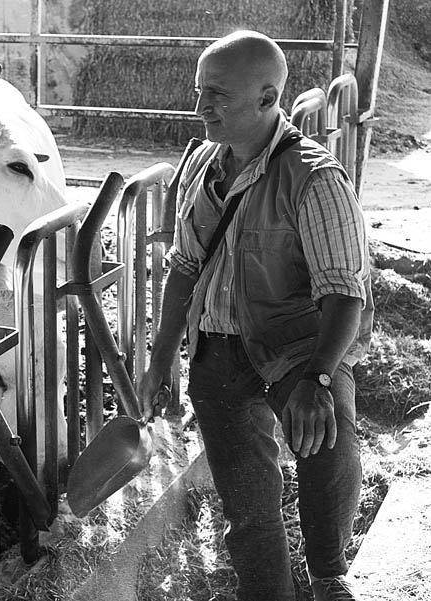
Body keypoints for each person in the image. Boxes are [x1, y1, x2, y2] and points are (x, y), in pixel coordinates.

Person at [139, 30, 373, 601]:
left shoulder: (316, 179)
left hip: (297, 348)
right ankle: (267, 591)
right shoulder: (200, 162)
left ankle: (327, 573)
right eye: (199, 93)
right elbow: (184, 268)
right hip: (218, 351)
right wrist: (162, 358)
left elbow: (345, 294)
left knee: (329, 446)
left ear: (268, 99)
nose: (201, 108)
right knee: (246, 505)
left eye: (216, 95)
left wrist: (319, 377)